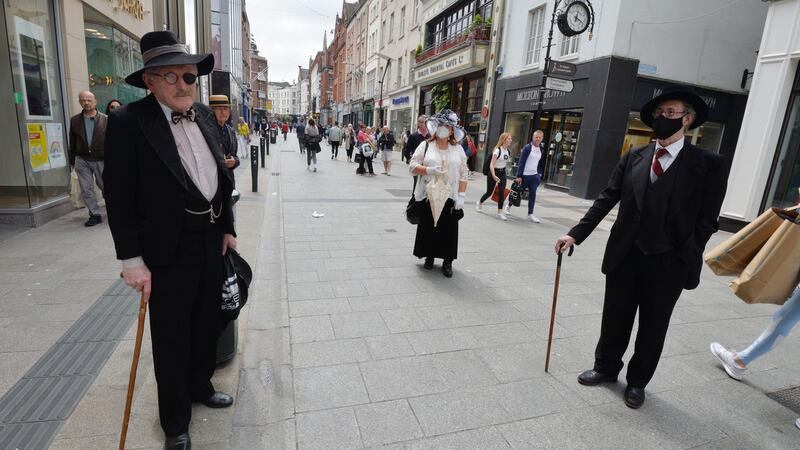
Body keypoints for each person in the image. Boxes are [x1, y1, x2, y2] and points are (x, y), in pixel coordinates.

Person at [553, 85, 728, 410]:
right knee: (615, 317)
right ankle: (606, 368)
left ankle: (637, 383)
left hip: (668, 263)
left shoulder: (708, 165)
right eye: (660, 114)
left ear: (687, 120)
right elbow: (607, 197)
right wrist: (575, 234)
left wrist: (685, 253)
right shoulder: (634, 156)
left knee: (653, 326)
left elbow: (707, 220)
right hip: (625, 255)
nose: (663, 119)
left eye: (671, 113)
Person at [103, 31, 237, 450]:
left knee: (206, 323)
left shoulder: (201, 114)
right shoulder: (128, 122)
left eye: (189, 77)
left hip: (209, 238)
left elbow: (221, 175)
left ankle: (200, 385)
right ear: (150, 81)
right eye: (172, 77)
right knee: (172, 335)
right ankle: (174, 419)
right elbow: (118, 196)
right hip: (166, 251)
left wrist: (227, 227)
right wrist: (131, 260)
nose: (184, 85)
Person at [409, 109, 468, 278]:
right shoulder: (426, 145)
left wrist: (461, 197)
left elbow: (464, 174)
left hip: (450, 196)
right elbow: (412, 166)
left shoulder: (458, 150)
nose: (444, 129)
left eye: (448, 126)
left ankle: (447, 262)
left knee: (448, 229)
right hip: (430, 194)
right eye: (441, 125)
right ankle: (429, 256)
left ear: (452, 131)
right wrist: (428, 169)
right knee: (429, 226)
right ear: (436, 127)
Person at [68, 91, 108, 227]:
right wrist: (71, 161)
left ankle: (113, 208)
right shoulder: (74, 120)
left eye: (88, 100)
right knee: (86, 188)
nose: (86, 102)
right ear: (79, 102)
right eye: (83, 100)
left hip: (101, 158)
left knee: (105, 186)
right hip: (82, 159)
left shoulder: (106, 119)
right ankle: (95, 214)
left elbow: (113, 141)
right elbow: (72, 141)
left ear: (95, 102)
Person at [476, 132, 512, 220]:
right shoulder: (497, 150)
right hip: (493, 172)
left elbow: (505, 162)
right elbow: (492, 165)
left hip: (502, 173)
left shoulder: (508, 151)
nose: (511, 140)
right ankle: (480, 202)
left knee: (502, 192)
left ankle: (500, 212)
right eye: (509, 139)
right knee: (489, 192)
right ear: (504, 140)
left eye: (510, 139)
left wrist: (507, 170)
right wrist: (494, 175)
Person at [209, 95, 240, 183]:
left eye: (225, 108)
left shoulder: (231, 131)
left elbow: (235, 156)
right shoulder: (206, 131)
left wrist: (234, 162)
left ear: (229, 112)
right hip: (212, 181)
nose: (222, 112)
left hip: (228, 180)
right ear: (211, 111)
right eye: (218, 109)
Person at [514, 130, 544, 223]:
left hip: (534, 176)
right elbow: (521, 161)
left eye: (540, 137)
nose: (538, 139)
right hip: (525, 176)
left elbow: (539, 162)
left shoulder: (541, 148)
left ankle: (530, 214)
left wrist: (539, 174)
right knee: (518, 192)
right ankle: (508, 206)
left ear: (542, 138)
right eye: (536, 137)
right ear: (533, 137)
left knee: (533, 195)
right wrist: (519, 175)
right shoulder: (527, 148)